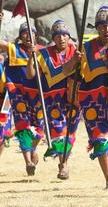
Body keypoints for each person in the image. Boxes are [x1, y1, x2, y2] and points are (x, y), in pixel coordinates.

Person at [68, 6, 108, 190]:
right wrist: (74, 61)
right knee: (100, 140)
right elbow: (66, 71)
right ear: (97, 28)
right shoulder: (86, 48)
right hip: (93, 103)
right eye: (102, 26)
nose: (107, 29)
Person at [26, 20, 80, 180]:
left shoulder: (77, 52)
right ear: (53, 38)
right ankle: (64, 165)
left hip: (72, 98)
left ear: (69, 37)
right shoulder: (44, 54)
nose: (61, 38)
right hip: (52, 100)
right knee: (59, 132)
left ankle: (64, 162)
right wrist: (31, 57)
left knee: (70, 133)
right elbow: (30, 75)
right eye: (57, 36)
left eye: (64, 35)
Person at [0, 23, 43, 176]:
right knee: (23, 126)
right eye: (24, 33)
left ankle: (32, 148)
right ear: (20, 36)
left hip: (37, 97)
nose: (28, 36)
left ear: (36, 35)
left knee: (40, 129)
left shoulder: (42, 51)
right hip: (17, 95)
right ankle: (28, 162)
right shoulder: (13, 49)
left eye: (31, 33)